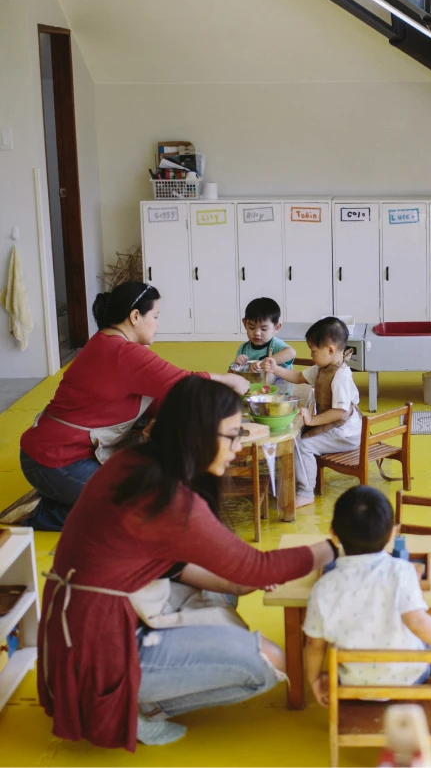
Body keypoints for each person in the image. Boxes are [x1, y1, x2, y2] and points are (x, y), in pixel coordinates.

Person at [37, 376, 338, 751]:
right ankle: (132, 704)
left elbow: (169, 564)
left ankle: (146, 687)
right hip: (99, 648)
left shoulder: (137, 462)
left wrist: (233, 583)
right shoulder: (170, 500)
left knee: (225, 593)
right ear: (197, 433)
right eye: (233, 434)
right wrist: (334, 547)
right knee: (267, 662)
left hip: (87, 623)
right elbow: (257, 569)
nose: (238, 444)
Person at [11, 281, 250, 530]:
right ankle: (41, 515)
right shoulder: (121, 352)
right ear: (135, 316)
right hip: (55, 461)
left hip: (58, 454)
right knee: (139, 507)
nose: (158, 324)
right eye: (155, 316)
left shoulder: (108, 343)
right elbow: (183, 382)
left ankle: (64, 499)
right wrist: (228, 380)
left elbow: (158, 394)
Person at [303, 485, 431, 743]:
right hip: (409, 678)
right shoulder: (402, 571)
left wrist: (314, 679)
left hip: (353, 683)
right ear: (391, 535)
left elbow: (313, 644)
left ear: (334, 534)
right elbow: (417, 620)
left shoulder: (323, 588)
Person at [266, 317, 361, 508]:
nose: (311, 355)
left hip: (346, 433)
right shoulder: (322, 368)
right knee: (295, 435)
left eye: (313, 351)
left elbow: (339, 412)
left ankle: (306, 491)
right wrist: (276, 369)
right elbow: (298, 376)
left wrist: (312, 419)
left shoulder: (341, 376)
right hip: (335, 428)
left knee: (304, 445)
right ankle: (288, 479)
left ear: (331, 350)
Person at [234, 297, 295, 372]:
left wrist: (265, 362)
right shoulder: (243, 349)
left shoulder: (275, 345)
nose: (257, 333)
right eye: (251, 327)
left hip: (277, 384)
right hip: (254, 383)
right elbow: (231, 375)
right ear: (244, 323)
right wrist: (236, 364)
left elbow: (291, 353)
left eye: (264, 329)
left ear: (276, 328)